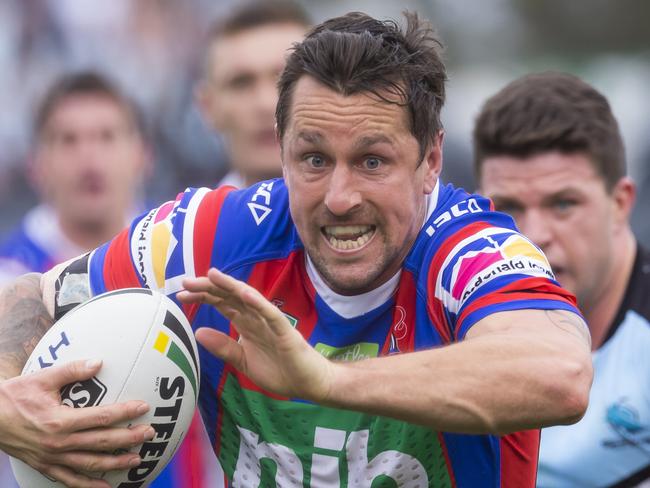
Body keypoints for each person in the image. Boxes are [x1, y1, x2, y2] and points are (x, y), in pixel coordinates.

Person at [0, 12, 593, 488]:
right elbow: (28, 298)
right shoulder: (214, 234)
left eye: (372, 161)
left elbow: (558, 373)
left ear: (430, 161)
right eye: (314, 159)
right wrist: (12, 412)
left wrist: (324, 381)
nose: (339, 198)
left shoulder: (468, 248)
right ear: (280, 150)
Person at [0, 72, 212, 488]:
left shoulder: (187, 252)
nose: (89, 158)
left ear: (143, 155)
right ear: (36, 166)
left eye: (107, 136)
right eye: (68, 140)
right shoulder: (9, 273)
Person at [473, 72, 650, 487]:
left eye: (564, 204)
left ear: (621, 203)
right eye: (509, 207)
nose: (533, 236)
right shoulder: (436, 315)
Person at [195, 0, 310, 188]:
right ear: (208, 107)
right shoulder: (187, 217)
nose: (266, 103)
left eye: (287, 78)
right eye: (241, 83)